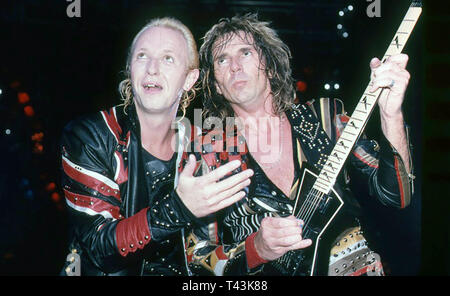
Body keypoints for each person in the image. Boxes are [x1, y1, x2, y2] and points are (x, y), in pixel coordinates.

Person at [182, 13, 414, 276]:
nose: (234, 65)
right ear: (217, 85)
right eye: (222, 60)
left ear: (270, 66)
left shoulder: (325, 118)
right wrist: (255, 248)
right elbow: (195, 255)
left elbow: (397, 195)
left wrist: (391, 114)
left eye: (245, 53)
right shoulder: (211, 152)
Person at [59, 17, 253, 276]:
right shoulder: (92, 136)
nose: (152, 69)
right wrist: (179, 208)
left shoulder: (202, 145)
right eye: (142, 56)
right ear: (130, 68)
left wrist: (258, 248)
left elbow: (204, 258)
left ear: (189, 78)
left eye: (168, 58)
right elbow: (99, 248)